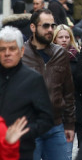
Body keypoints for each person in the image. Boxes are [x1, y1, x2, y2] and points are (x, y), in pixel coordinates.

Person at [22, 9, 75, 160]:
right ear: (33, 27)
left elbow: (68, 92)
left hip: (56, 126)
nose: (50, 30)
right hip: (29, 127)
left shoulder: (61, 54)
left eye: (52, 26)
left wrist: (70, 124)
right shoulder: (21, 54)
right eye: (45, 26)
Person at [0, 26, 53, 159]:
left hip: (22, 151)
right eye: (2, 49)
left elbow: (46, 119)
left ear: (21, 51)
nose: (7, 53)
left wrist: (22, 133)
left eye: (12, 48)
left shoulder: (33, 79)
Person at [53, 25, 82, 147]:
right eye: (61, 37)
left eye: (67, 37)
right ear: (55, 39)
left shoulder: (77, 57)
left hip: (73, 106)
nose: (64, 40)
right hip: (54, 107)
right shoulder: (48, 57)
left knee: (68, 149)